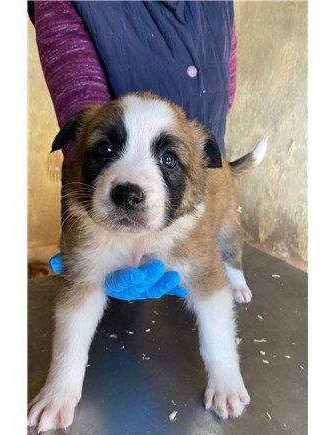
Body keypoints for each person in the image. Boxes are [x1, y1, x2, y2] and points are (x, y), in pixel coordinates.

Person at [29, 1, 238, 300]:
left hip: (194, 187)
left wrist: (196, 155)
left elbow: (226, 80)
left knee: (194, 286)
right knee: (114, 308)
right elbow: (80, 94)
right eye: (106, 147)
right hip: (107, 219)